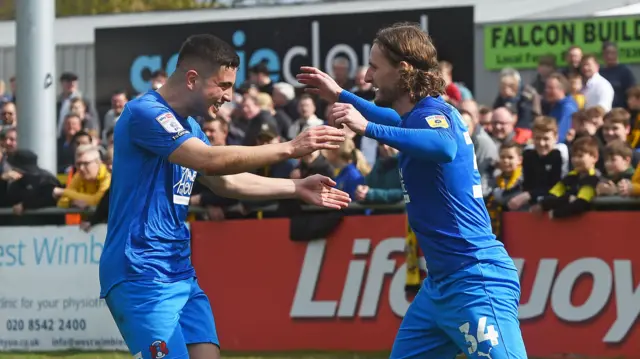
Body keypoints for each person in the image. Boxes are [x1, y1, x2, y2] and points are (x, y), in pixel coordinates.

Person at [99, 34, 350, 359]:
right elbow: (208, 160)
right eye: (224, 85)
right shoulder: (144, 113)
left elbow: (226, 182)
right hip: (140, 270)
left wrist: (295, 188)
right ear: (192, 79)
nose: (229, 97)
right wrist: (289, 148)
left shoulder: (189, 125)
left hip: (178, 269)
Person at [298, 22, 527, 359]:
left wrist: (367, 127)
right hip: (440, 288)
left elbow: (443, 146)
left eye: (375, 67)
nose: (367, 77)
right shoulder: (418, 117)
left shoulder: (435, 113)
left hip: (475, 281)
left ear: (403, 70)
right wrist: (340, 95)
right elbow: (391, 119)